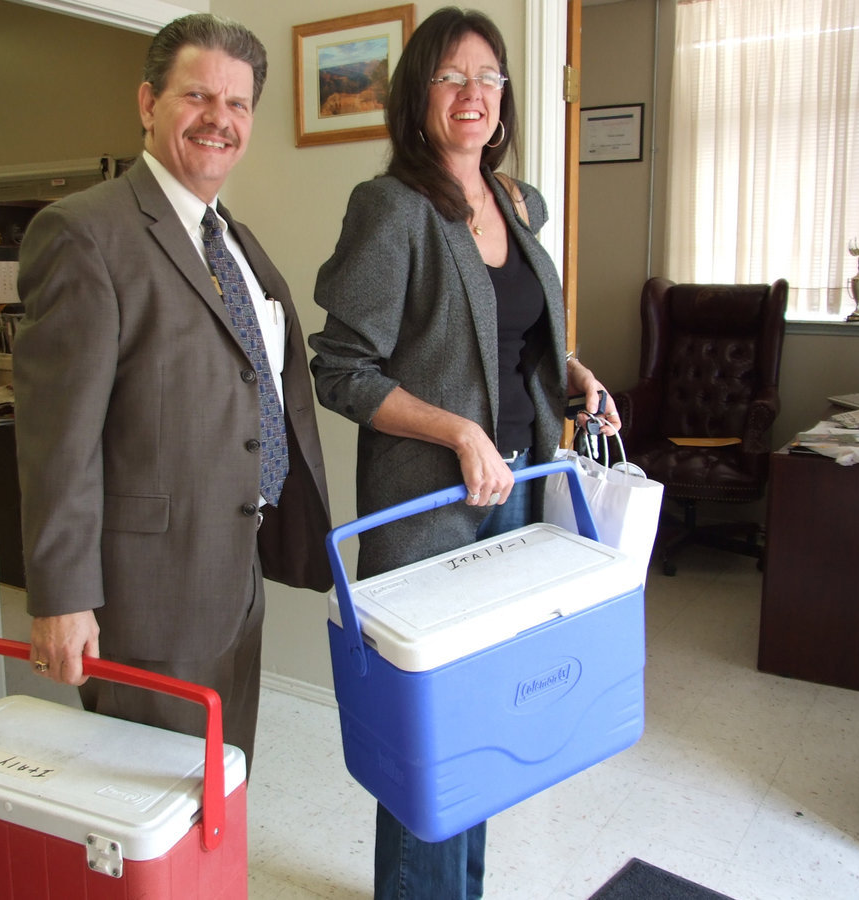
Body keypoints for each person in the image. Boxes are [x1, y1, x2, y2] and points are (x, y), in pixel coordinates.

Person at [308, 7, 618, 898]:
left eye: (489, 76)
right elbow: (341, 371)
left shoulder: (514, 203)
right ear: (418, 95)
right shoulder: (391, 208)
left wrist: (568, 374)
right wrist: (458, 431)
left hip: (521, 498)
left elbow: (505, 337)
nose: (473, 93)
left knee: (484, 723)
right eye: (451, 77)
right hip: (432, 512)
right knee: (428, 744)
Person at [14, 13, 332, 771]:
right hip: (147, 594)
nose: (219, 119)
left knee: (222, 781)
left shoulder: (236, 240)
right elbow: (59, 437)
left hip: (235, 565)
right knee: (147, 806)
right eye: (198, 96)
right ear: (148, 102)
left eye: (239, 104)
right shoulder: (85, 232)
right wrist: (61, 598)